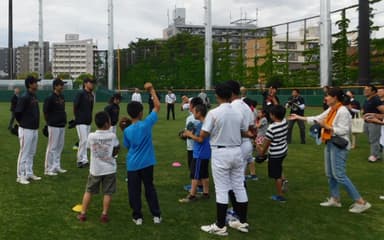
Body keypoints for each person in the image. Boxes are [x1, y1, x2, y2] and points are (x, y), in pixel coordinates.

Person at [289, 87, 372, 213]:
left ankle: (361, 202)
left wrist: (326, 126)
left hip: (339, 144)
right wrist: (299, 117)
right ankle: (335, 199)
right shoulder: (332, 109)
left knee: (339, 175)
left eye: (328, 95)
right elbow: (318, 117)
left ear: (335, 98)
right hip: (330, 142)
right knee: (330, 174)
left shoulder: (342, 110)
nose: (325, 98)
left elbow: (343, 130)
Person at [193, 82, 249, 236]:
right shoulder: (238, 113)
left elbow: (204, 134)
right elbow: (244, 131)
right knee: (239, 186)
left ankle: (220, 225)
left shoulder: (214, 113)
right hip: (237, 151)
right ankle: (242, 221)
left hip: (221, 152)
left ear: (217, 96)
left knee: (222, 188)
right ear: (231, 95)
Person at [123, 82, 162, 225]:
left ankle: (137, 216)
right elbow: (157, 106)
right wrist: (152, 89)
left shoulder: (127, 131)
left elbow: (127, 146)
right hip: (147, 163)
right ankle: (156, 215)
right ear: (140, 113)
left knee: (134, 191)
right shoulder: (146, 124)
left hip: (133, 165)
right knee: (149, 188)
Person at [77, 111, 119, 223]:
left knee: (89, 191)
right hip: (109, 169)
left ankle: (83, 214)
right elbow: (116, 149)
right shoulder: (112, 135)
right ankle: (104, 214)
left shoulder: (91, 136)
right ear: (106, 123)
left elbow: (88, 147)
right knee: (107, 192)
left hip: (95, 169)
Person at [257, 105, 288, 202]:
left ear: (273, 116)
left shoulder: (271, 128)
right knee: (279, 166)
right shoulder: (285, 121)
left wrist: (261, 153)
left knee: (276, 176)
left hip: (275, 153)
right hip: (283, 150)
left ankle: (280, 196)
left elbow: (266, 144)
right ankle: (284, 180)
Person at [180, 103, 211, 202]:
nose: (192, 113)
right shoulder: (207, 123)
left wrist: (189, 134)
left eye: (194, 111)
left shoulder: (200, 125)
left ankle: (192, 195)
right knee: (205, 174)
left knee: (195, 175)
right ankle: (206, 193)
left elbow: (200, 139)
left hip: (199, 154)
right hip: (206, 153)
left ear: (199, 113)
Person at [14, 76, 42, 184]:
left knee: (31, 152)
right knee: (24, 152)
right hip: (26, 129)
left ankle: (29, 173)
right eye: (35, 83)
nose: (37, 84)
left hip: (34, 128)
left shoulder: (33, 96)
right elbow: (17, 113)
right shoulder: (24, 97)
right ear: (30, 84)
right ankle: (20, 176)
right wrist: (23, 123)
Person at [43, 78, 67, 176]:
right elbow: (45, 111)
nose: (62, 86)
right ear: (55, 86)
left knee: (59, 147)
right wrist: (49, 122)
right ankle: (48, 169)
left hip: (61, 125)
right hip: (53, 125)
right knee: (52, 147)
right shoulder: (50, 98)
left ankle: (56, 166)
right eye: (60, 85)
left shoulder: (62, 97)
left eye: (62, 85)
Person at [181, 97, 204, 193]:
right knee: (201, 166)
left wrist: (183, 135)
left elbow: (189, 133)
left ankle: (197, 186)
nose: (188, 106)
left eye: (190, 104)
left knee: (193, 167)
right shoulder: (204, 116)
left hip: (193, 146)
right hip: (203, 147)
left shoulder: (191, 118)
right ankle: (201, 185)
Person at [73, 77, 95, 168]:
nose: (92, 84)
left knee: (86, 141)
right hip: (80, 120)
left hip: (87, 120)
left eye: (93, 83)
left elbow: (90, 108)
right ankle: (79, 160)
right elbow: (75, 105)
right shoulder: (81, 93)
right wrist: (76, 117)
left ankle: (85, 160)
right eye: (90, 83)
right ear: (85, 84)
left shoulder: (91, 95)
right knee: (83, 140)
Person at [362, 85, 384, 162]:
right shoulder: (367, 100)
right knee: (372, 139)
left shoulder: (376, 100)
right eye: (365, 89)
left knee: (374, 140)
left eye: (368, 90)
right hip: (367, 122)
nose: (365, 91)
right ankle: (377, 154)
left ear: (373, 92)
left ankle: (374, 156)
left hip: (374, 123)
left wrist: (374, 115)